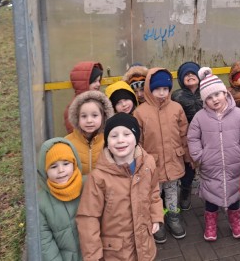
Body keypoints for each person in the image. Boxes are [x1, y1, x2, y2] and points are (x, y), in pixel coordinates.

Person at [76, 113, 163, 261]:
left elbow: (153, 192)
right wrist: (93, 256)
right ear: (107, 143)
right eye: (114, 136)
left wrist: (156, 216)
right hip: (116, 253)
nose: (120, 140)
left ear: (136, 138)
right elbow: (88, 218)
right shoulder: (98, 178)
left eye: (126, 134)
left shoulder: (148, 164)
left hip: (144, 245)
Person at [187, 67, 240, 242]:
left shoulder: (238, 114)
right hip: (210, 165)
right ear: (204, 100)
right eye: (209, 97)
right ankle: (210, 224)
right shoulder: (200, 117)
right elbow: (192, 137)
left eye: (217, 94)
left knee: (234, 194)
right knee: (211, 197)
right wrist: (199, 156)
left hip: (234, 164)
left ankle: (235, 220)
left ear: (225, 93)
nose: (214, 99)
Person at [133, 67, 191, 243]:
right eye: (157, 89)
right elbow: (137, 141)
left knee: (172, 190)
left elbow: (184, 133)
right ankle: (157, 220)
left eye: (165, 89)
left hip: (173, 160)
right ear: (149, 89)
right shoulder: (140, 112)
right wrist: (139, 163)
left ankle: (173, 216)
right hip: (152, 164)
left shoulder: (176, 108)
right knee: (154, 193)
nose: (161, 93)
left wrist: (187, 156)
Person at [38, 137, 83, 261]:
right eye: (53, 166)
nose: (61, 170)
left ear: (74, 164)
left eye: (66, 164)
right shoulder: (41, 201)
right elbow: (45, 243)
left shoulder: (89, 186)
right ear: (45, 171)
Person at [171, 61, 203, 210]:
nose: (190, 76)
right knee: (188, 166)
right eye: (186, 74)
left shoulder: (207, 90)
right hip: (187, 136)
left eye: (193, 73)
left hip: (207, 134)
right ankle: (185, 190)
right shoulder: (177, 96)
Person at [65, 90, 114, 175]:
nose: (89, 120)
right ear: (77, 118)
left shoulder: (110, 140)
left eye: (94, 115)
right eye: (84, 116)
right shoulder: (67, 143)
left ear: (103, 117)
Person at [63, 61, 103, 133]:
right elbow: (74, 132)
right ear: (85, 84)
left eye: (99, 81)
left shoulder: (99, 100)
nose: (98, 84)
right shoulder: (74, 107)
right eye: (94, 81)